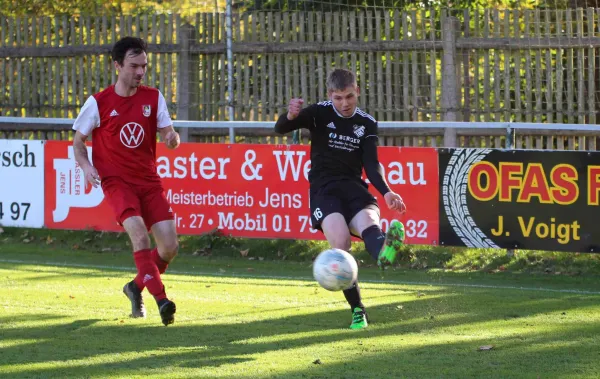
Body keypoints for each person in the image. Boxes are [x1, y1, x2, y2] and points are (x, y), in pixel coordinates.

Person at [274, 68, 407, 330]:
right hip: (325, 191)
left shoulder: (367, 123)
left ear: (357, 91)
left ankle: (384, 252)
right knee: (341, 242)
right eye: (338, 98)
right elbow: (281, 128)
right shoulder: (319, 113)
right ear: (329, 95)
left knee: (369, 222)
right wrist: (290, 116)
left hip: (354, 188)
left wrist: (387, 191)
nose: (344, 103)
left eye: (349, 96)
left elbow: (371, 163)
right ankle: (359, 311)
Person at [72, 36, 180, 326]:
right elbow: (78, 141)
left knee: (169, 247)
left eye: (144, 66)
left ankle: (135, 286)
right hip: (117, 183)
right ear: (117, 65)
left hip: (149, 181)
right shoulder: (98, 103)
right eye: (134, 66)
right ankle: (162, 300)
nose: (140, 72)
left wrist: (172, 138)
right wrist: (85, 166)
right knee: (139, 235)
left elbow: (169, 134)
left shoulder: (153, 97)